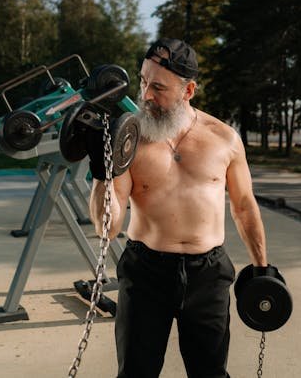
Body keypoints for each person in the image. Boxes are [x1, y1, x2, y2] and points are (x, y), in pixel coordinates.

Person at [89, 38, 267, 378]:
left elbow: (244, 207)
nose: (145, 95)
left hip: (209, 274)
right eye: (143, 81)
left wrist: (262, 270)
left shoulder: (224, 138)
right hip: (146, 272)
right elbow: (106, 228)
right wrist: (102, 173)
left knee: (210, 373)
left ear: (188, 91)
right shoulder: (130, 138)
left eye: (158, 87)